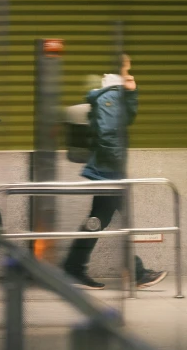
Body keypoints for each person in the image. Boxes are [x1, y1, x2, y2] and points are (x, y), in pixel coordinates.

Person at [62, 54, 167, 290]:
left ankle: (76, 266)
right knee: (106, 219)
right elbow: (109, 134)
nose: (131, 72)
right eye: (127, 69)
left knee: (100, 219)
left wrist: (131, 93)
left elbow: (126, 119)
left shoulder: (114, 94)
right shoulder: (109, 97)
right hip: (108, 170)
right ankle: (131, 272)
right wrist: (118, 166)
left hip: (107, 169)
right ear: (119, 70)